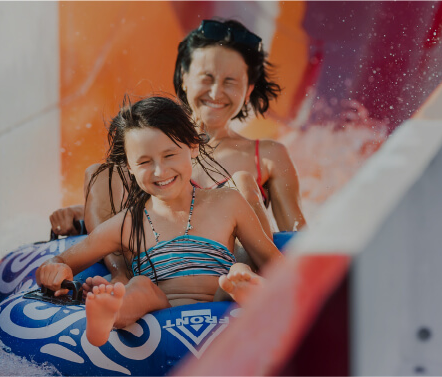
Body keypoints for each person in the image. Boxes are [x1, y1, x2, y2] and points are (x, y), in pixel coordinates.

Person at [35, 96, 282, 347]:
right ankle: (110, 315)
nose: (159, 171)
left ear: (193, 146)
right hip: (161, 309)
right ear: (129, 167)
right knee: (140, 286)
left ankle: (249, 294)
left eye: (169, 155)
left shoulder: (228, 203)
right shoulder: (128, 223)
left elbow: (274, 263)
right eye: (144, 162)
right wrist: (55, 268)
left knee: (239, 272)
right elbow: (65, 260)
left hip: (222, 299)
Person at [50, 19, 306, 239]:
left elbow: (296, 236)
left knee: (241, 187)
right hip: (155, 270)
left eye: (230, 81)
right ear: (184, 78)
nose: (216, 92)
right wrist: (80, 215)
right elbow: (126, 202)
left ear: (248, 89)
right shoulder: (150, 141)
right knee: (101, 172)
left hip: (230, 271)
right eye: (206, 78)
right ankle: (122, 280)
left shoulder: (268, 157)